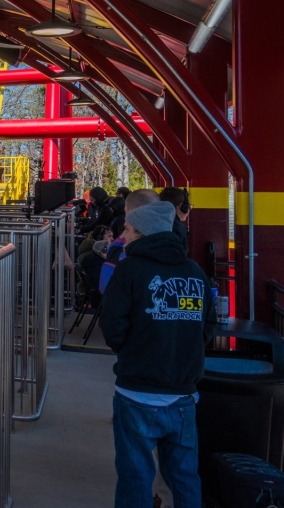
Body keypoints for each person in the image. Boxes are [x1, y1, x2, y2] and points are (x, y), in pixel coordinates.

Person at [100, 201, 215, 508]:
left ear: (141, 232)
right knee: (185, 477)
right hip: (183, 395)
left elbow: (112, 326)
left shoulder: (129, 271)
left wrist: (134, 350)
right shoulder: (195, 273)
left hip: (136, 392)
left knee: (135, 476)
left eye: (127, 228)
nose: (123, 234)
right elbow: (208, 326)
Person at [100, 189, 160, 293]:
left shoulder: (117, 248)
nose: (124, 235)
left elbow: (106, 288)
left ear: (129, 211)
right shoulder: (174, 246)